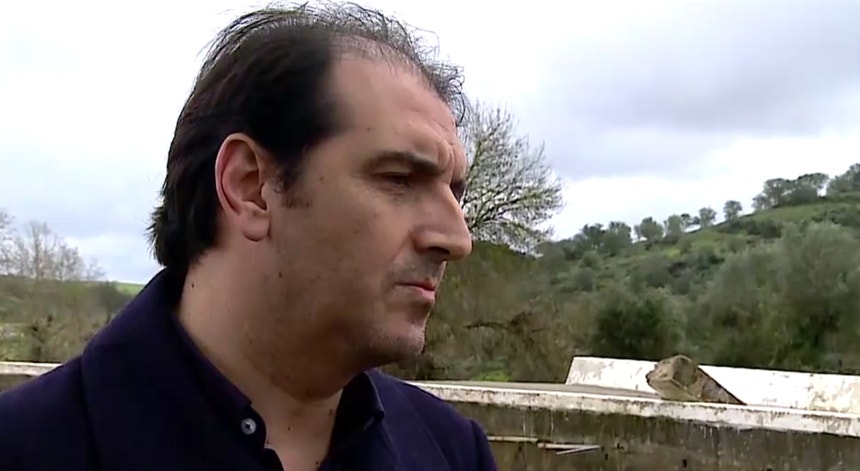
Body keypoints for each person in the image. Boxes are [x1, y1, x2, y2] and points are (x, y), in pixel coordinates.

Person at [0, 2, 498, 470]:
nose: (457, 239)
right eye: (399, 179)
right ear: (249, 186)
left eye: (455, 192)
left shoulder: (452, 451)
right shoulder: (25, 448)